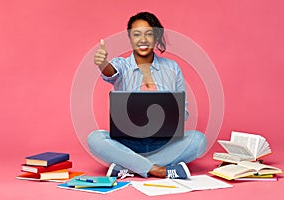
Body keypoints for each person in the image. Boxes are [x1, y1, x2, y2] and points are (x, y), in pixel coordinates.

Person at [88, 12, 207, 179]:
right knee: (95, 139)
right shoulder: (121, 65)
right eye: (137, 34)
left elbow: (184, 112)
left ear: (156, 37)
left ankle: (129, 166)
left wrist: (170, 115)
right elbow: (111, 72)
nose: (142, 39)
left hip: (163, 143)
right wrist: (102, 63)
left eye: (148, 34)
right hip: (127, 143)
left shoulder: (172, 68)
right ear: (130, 38)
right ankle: (158, 169)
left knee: (199, 140)